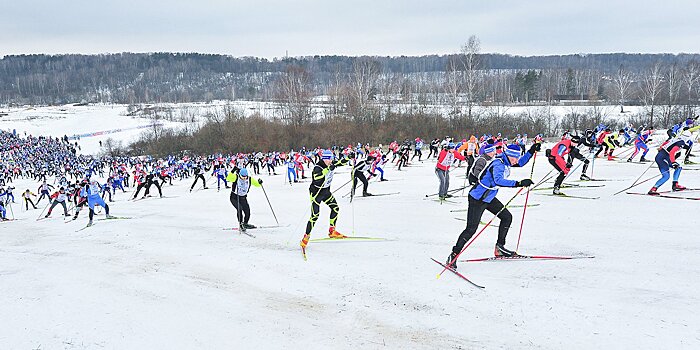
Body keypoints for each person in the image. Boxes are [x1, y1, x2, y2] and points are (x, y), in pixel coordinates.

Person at [446, 144, 535, 269]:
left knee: (506, 217)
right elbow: (499, 180)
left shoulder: (506, 161)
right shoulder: (498, 164)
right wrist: (518, 183)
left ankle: (500, 248)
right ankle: (453, 255)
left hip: (489, 197)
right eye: (515, 158)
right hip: (477, 198)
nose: (516, 160)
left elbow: (520, 163)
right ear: (509, 155)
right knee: (471, 229)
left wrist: (531, 151)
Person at [300, 150, 353, 252]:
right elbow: (317, 178)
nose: (331, 161)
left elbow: (340, 163)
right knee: (315, 216)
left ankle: (332, 231)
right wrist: (327, 169)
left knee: (335, 208)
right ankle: (306, 237)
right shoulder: (318, 167)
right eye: (330, 159)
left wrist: (349, 157)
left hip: (325, 192)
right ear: (325, 159)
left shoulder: (331, 163)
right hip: (316, 193)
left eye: (332, 159)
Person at [648, 130, 693, 195]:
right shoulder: (681, 142)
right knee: (666, 176)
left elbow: (668, 143)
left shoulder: (678, 138)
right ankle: (653, 189)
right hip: (662, 158)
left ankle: (675, 185)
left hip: (665, 156)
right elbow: (672, 152)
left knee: (678, 168)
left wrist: (661, 148)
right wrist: (673, 162)